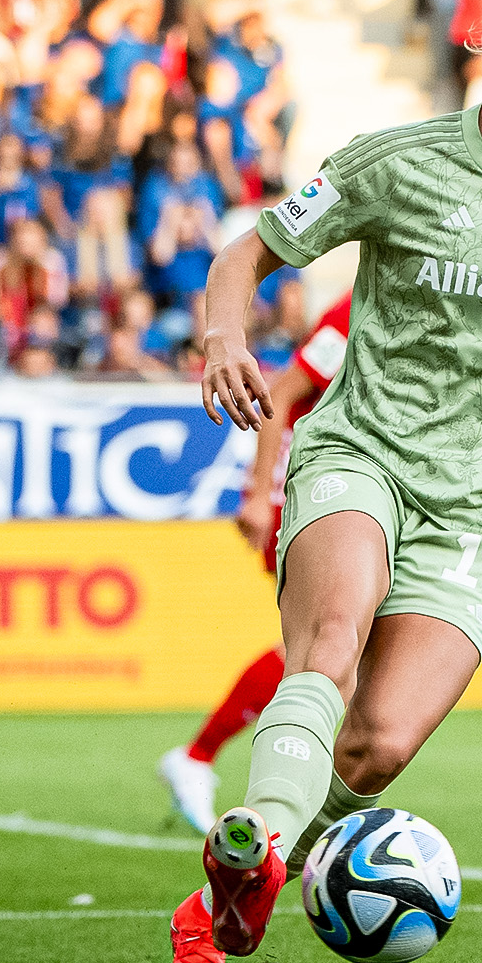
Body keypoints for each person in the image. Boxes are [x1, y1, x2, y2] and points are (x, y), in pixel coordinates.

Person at [162, 0, 482, 963]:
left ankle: (233, 886)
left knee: (376, 747)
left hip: (478, 504)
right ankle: (210, 937)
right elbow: (246, 251)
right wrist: (222, 339)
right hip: (360, 452)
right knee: (329, 644)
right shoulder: (393, 161)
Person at [158, 291, 352, 835]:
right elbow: (283, 394)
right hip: (311, 491)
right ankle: (206, 762)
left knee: (337, 657)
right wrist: (255, 494)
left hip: (347, 493)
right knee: (324, 650)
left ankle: (208, 762)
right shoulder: (362, 303)